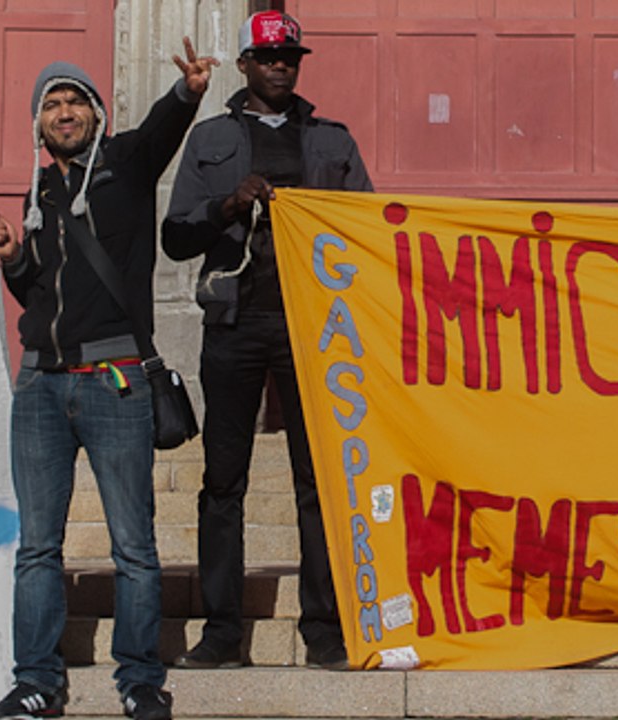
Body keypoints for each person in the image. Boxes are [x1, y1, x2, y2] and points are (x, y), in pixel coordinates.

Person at [0, 40, 218, 720]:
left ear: (96, 113)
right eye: (52, 105)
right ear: (38, 123)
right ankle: (37, 681)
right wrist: (12, 259)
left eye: (75, 102)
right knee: (37, 549)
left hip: (114, 381)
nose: (64, 113)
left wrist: (189, 91)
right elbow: (39, 297)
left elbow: (163, 129)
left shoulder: (127, 163)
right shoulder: (38, 193)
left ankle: (140, 681)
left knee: (134, 548)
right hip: (41, 386)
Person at [161, 11, 372, 672]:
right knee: (224, 481)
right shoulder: (211, 139)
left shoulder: (333, 141)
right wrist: (228, 205)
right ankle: (222, 632)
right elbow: (175, 237)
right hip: (234, 325)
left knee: (318, 482)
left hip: (316, 332)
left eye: (291, 58)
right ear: (246, 64)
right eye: (269, 56)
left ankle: (324, 630)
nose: (282, 66)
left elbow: (368, 231)